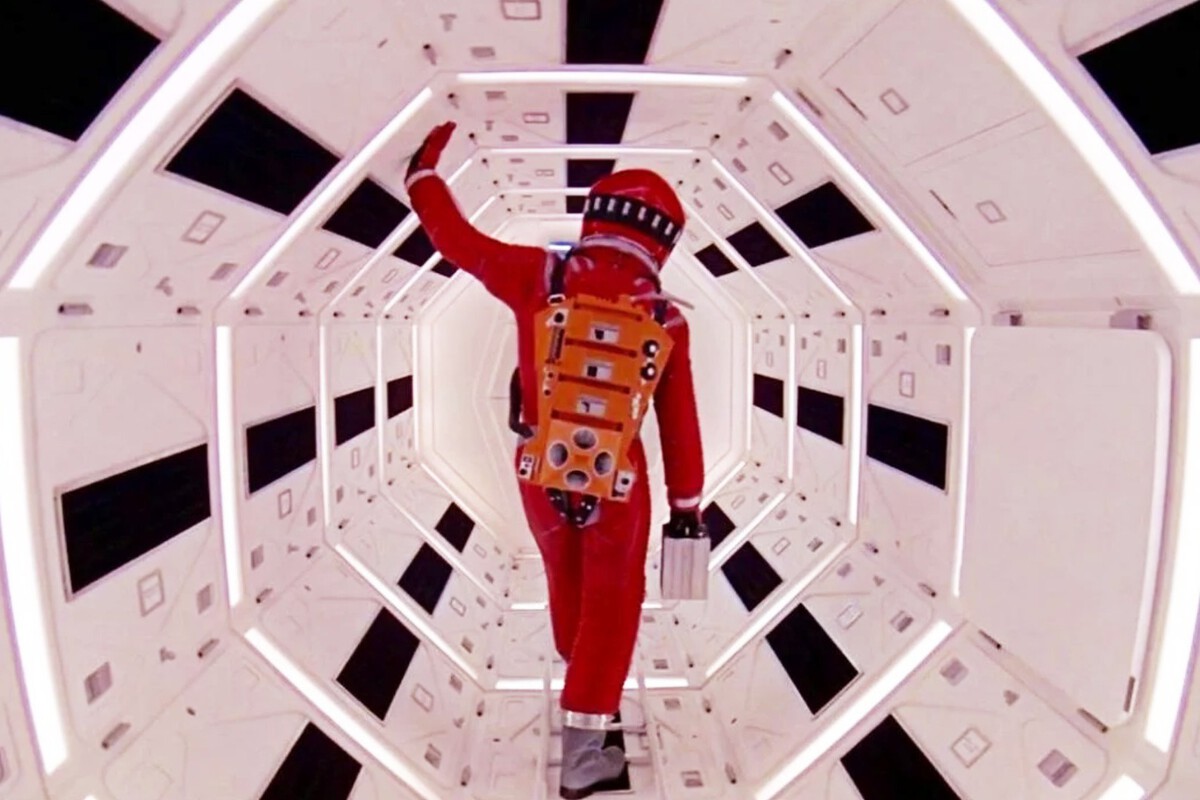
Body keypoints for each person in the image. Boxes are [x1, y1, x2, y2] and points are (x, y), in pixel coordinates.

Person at [405, 122, 705, 799]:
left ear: (596, 215)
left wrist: (422, 174)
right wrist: (688, 507)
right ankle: (584, 748)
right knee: (614, 600)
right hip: (618, 480)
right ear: (663, 240)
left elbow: (455, 240)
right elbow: (679, 426)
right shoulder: (668, 319)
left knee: (562, 577)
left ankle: (581, 684)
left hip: (538, 469)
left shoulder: (540, 274)